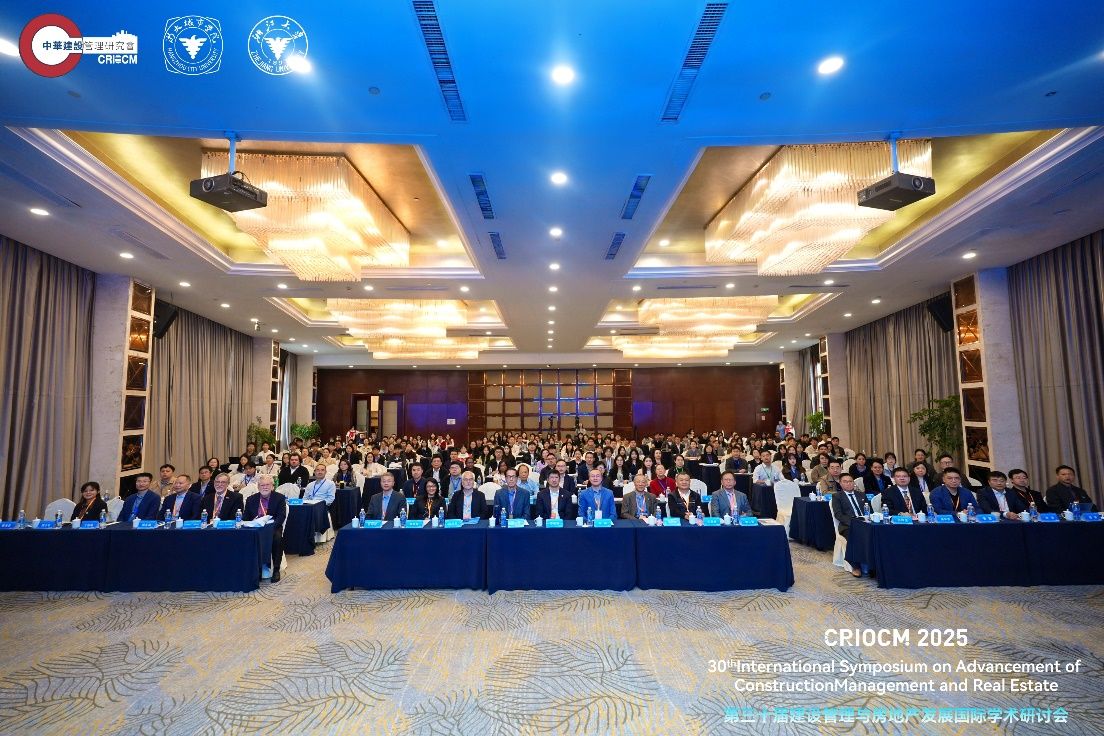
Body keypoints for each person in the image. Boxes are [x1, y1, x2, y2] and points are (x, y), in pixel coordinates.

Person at [244, 474, 287, 581]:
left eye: (267, 485)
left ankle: (276, 569)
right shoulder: (251, 499)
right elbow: (246, 517)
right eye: (262, 485)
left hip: (272, 527)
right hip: (255, 527)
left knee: (277, 538)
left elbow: (281, 516)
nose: (265, 487)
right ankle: (256, 569)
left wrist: (271, 528)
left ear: (272, 486)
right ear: (258, 487)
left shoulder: (279, 498)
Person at [830, 473, 866, 577]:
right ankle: (856, 566)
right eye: (845, 482)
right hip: (848, 525)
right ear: (840, 483)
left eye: (850, 481)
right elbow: (838, 515)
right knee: (854, 537)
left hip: (865, 523)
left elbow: (869, 511)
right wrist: (854, 523)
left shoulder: (861, 495)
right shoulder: (837, 496)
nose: (848, 484)